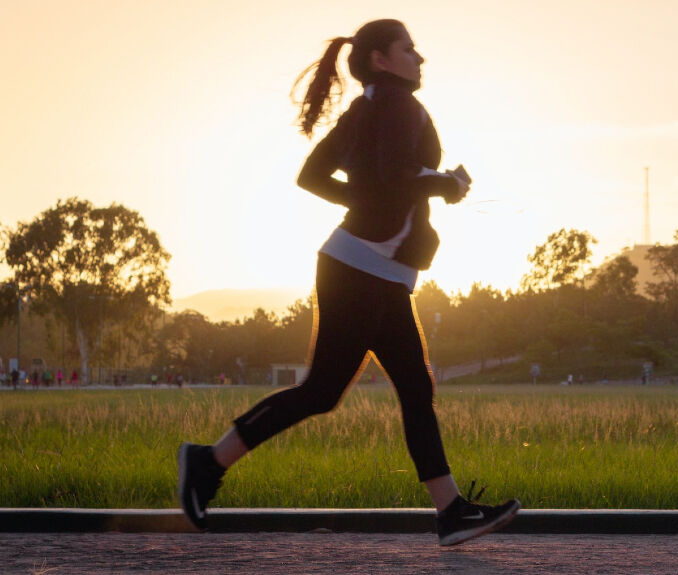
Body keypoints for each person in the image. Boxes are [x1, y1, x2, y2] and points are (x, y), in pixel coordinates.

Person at [177, 19, 519, 547]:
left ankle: (450, 511)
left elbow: (314, 176)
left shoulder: (368, 108)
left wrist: (371, 201)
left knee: (407, 387)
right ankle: (206, 462)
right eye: (409, 49)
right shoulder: (396, 107)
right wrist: (446, 183)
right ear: (382, 58)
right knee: (330, 390)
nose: (419, 58)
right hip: (360, 269)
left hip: (368, 267)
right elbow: (389, 178)